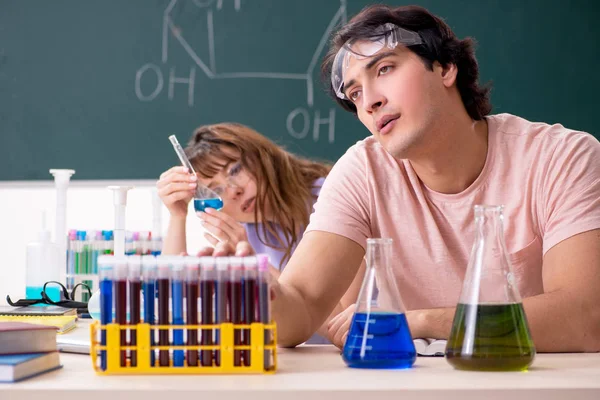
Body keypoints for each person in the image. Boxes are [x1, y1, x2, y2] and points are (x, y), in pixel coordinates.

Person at [214, 4, 600, 352]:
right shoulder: (362, 172)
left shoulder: (562, 158)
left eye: (384, 69)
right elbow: (300, 306)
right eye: (355, 93)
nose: (369, 101)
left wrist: (421, 321)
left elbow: (585, 318)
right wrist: (264, 296)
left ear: (446, 67)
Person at [156, 122, 363, 344]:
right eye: (216, 190)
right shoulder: (243, 233)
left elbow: (343, 326)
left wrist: (257, 265)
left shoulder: (336, 199)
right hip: (297, 364)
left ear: (261, 156)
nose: (234, 190)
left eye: (235, 170)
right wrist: (177, 216)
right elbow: (169, 301)